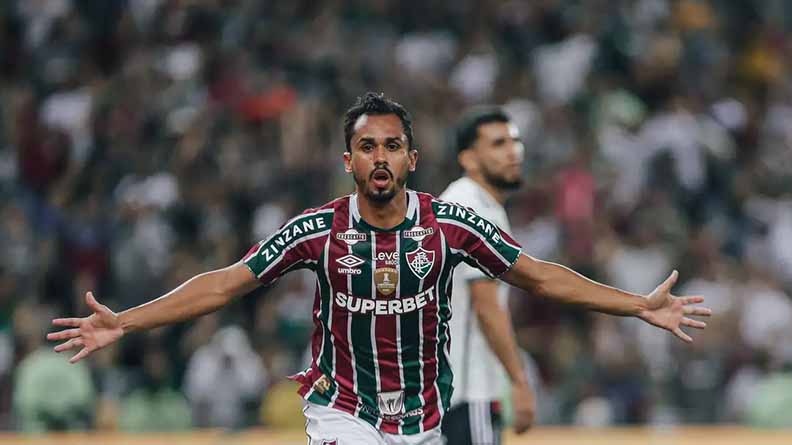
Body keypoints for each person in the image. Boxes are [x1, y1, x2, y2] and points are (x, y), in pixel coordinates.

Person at [47, 92, 711, 445]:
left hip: (424, 419)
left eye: (393, 144)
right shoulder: (316, 230)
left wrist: (636, 304)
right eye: (367, 146)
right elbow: (225, 281)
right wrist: (127, 322)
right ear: (348, 162)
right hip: (344, 413)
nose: (381, 156)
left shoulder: (451, 225)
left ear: (413, 158)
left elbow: (536, 274)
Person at [440, 107, 534, 444]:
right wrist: (519, 382)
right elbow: (486, 306)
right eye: (497, 144)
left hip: (443, 393)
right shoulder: (472, 208)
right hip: (468, 390)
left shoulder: (463, 202)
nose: (513, 151)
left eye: (514, 141)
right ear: (468, 158)